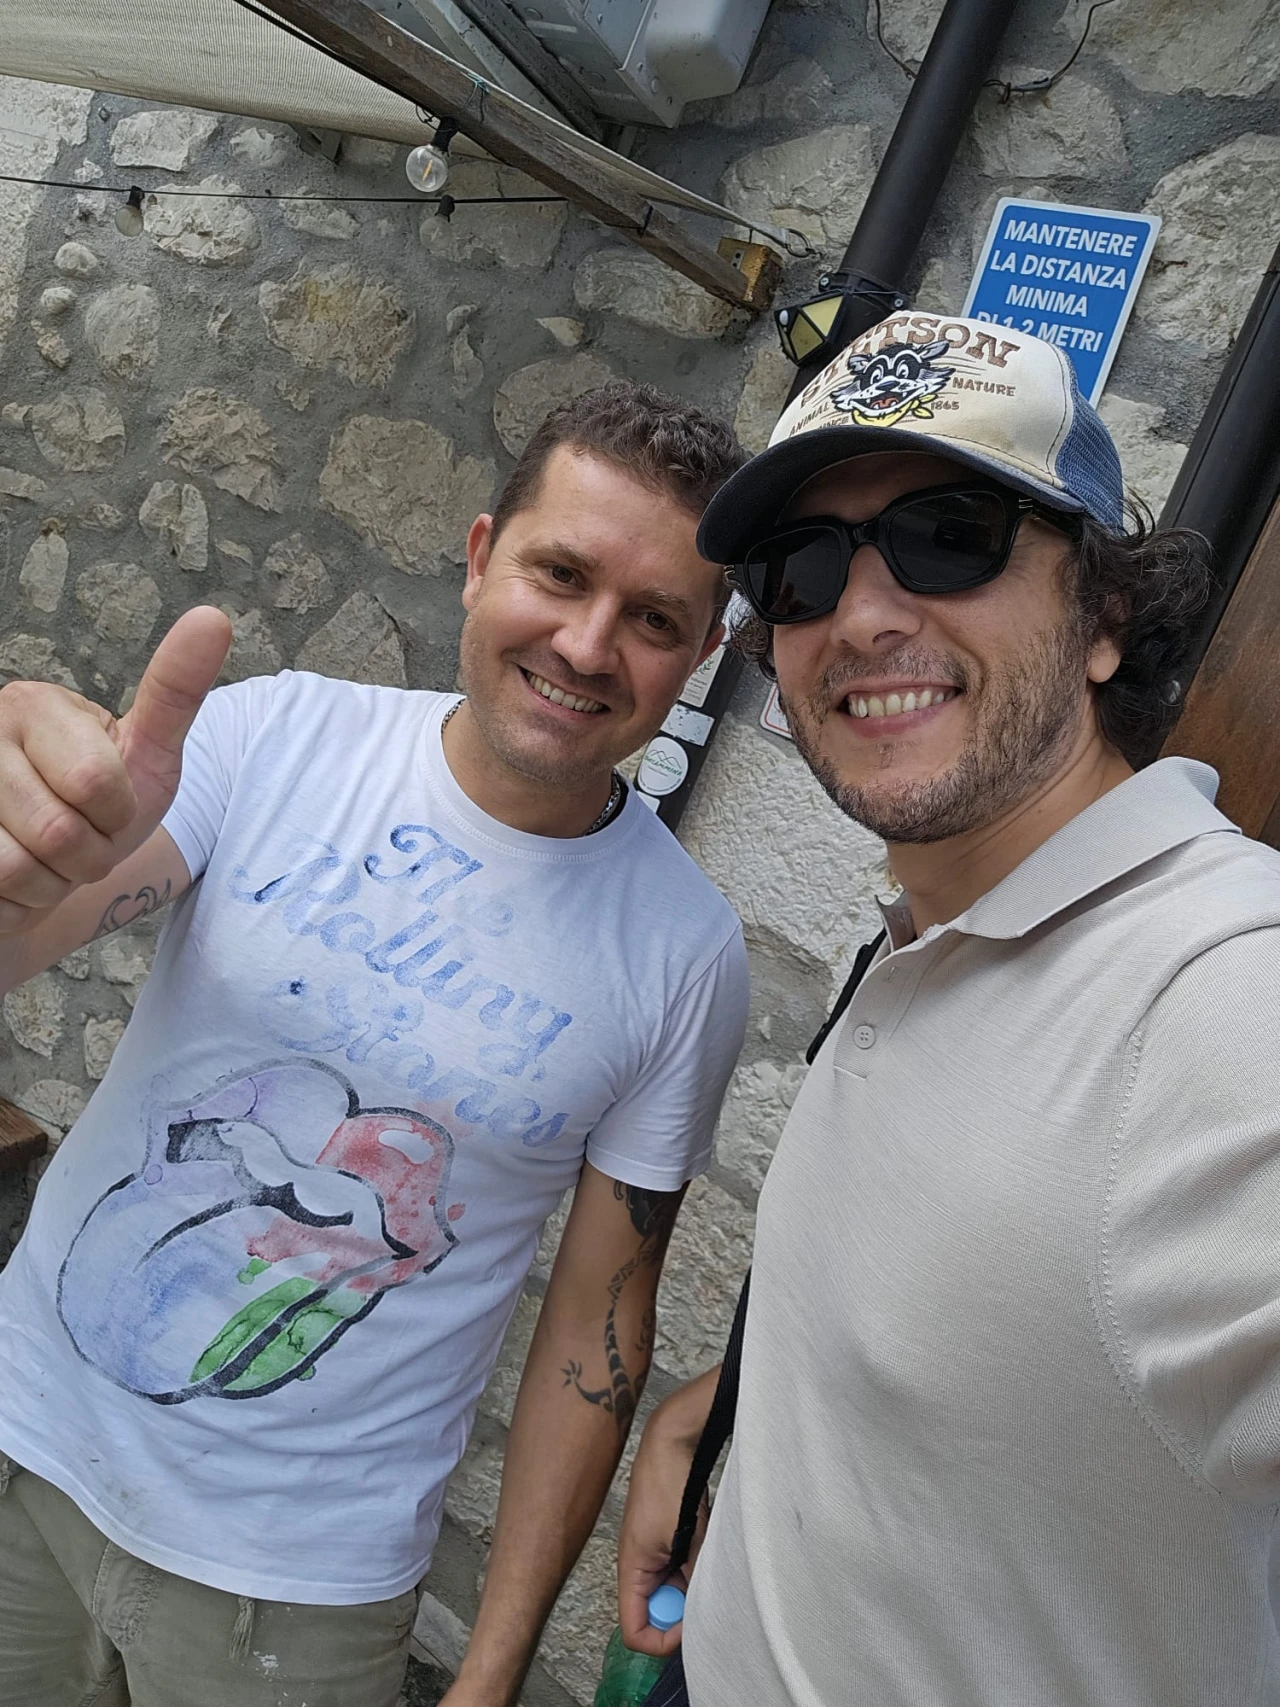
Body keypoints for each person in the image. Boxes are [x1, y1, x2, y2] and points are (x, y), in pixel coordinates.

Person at [0, 382, 751, 1707]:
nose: (588, 645)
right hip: (25, 1443)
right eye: (561, 573)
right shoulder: (275, 737)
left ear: (695, 658)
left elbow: (596, 1328)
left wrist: (491, 1671)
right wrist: (21, 871)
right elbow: (33, 925)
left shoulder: (684, 955)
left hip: (298, 1590)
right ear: (480, 558)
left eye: (653, 619)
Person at [617, 312, 1280, 1707]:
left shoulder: (1215, 992)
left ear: (1104, 618)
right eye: (801, 569)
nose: (861, 616)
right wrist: (736, 1409)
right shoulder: (944, 923)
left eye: (951, 535)